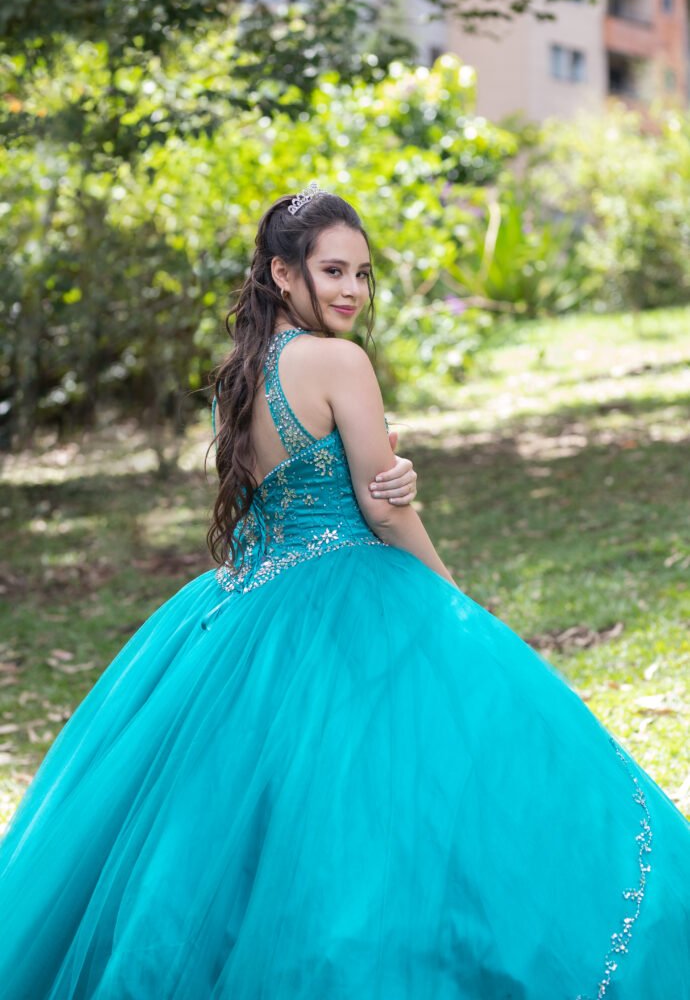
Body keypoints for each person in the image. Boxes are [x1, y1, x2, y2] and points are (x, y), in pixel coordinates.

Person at [0, 184, 688, 1000]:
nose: (352, 290)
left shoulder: (242, 373)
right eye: (332, 271)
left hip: (250, 603)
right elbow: (382, 509)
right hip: (353, 593)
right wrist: (450, 598)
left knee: (243, 828)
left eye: (362, 273)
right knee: (412, 802)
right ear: (282, 273)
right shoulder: (339, 361)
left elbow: (287, 496)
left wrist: (387, 472)